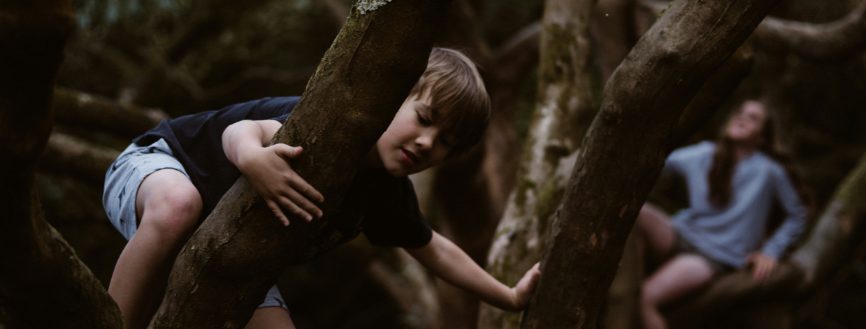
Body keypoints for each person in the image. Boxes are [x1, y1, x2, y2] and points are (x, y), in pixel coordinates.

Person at [102, 48, 541, 329]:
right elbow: (241, 131)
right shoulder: (328, 124)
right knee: (179, 204)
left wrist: (509, 297)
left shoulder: (386, 192)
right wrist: (254, 160)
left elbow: (435, 250)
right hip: (157, 167)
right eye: (424, 119)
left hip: (231, 248)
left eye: (447, 142)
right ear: (391, 97)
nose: (428, 143)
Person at [635, 100, 808, 329]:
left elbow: (798, 213)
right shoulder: (705, 152)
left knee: (646, 298)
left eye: (753, 117)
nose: (742, 118)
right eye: (740, 112)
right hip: (680, 233)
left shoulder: (769, 172)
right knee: (638, 213)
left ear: (762, 137)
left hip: (713, 256)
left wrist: (771, 251)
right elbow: (657, 161)